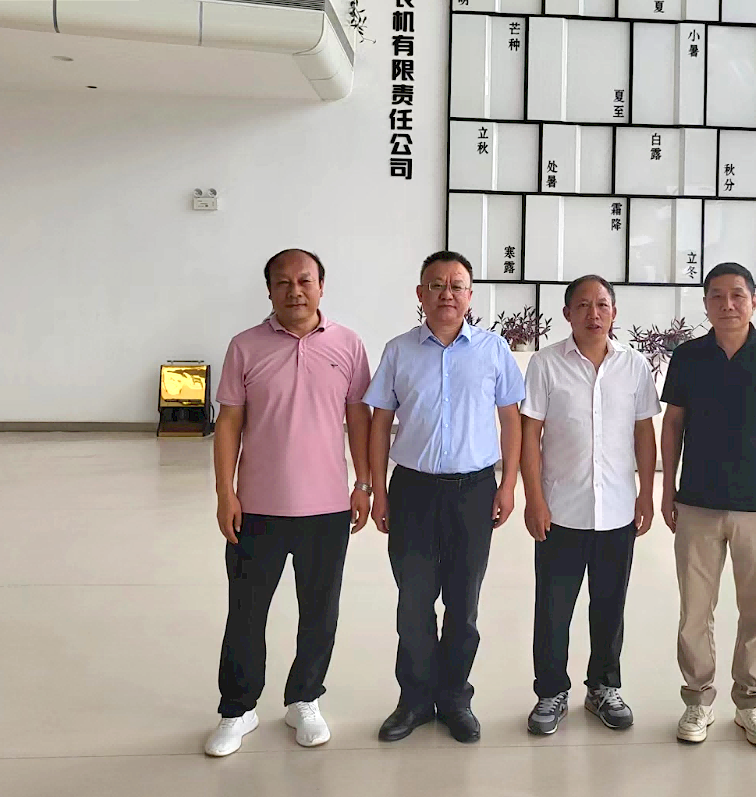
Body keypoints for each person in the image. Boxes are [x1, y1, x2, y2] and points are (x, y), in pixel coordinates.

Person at [204, 249, 373, 757]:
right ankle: (238, 709)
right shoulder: (245, 346)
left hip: (327, 508)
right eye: (283, 282)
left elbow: (358, 417)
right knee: (246, 612)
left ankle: (305, 698)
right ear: (269, 291)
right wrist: (226, 492)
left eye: (304, 280)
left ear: (321, 286)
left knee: (319, 610)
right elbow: (229, 422)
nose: (294, 290)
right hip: (257, 507)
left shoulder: (348, 344)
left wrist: (363, 483)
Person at [365, 250, 525, 744]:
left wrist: (508, 484)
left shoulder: (494, 350)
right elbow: (379, 424)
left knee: (463, 603)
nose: (447, 294)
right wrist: (377, 490)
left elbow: (512, 420)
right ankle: (414, 701)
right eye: (437, 285)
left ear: (470, 296)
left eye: (457, 286)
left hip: (473, 492)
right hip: (411, 490)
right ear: (421, 294)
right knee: (413, 602)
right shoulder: (398, 351)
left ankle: (455, 698)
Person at [660, 262, 756, 747]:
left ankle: (750, 703)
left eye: (737, 295)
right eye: (717, 296)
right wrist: (666, 488)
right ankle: (698, 700)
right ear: (705, 304)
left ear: (753, 302)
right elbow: (673, 424)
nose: (728, 304)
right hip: (697, 502)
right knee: (694, 611)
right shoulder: (688, 356)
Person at [520, 275, 660, 735]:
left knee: (609, 607)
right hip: (560, 510)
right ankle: (550, 691)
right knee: (553, 609)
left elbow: (644, 432)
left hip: (617, 510)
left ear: (614, 312)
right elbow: (529, 434)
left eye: (602, 304)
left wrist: (645, 493)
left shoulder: (634, 366)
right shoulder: (545, 364)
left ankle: (603, 687)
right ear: (567, 314)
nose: (593, 314)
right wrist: (534, 498)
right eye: (582, 305)